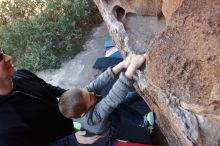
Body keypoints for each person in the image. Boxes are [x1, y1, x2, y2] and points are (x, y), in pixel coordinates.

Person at [0, 48, 101, 146]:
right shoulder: (3, 127)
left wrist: (80, 96)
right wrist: (72, 141)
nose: (9, 57)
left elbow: (50, 89)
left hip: (72, 132)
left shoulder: (22, 74)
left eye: (2, 51)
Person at [58, 54, 150, 136]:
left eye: (84, 90)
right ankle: (143, 123)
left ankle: (136, 95)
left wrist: (122, 64)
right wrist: (132, 67)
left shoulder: (83, 98)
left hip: (102, 112)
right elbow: (112, 98)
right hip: (110, 126)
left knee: (123, 100)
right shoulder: (94, 119)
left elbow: (97, 83)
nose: (91, 92)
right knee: (116, 106)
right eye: (90, 96)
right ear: (83, 113)